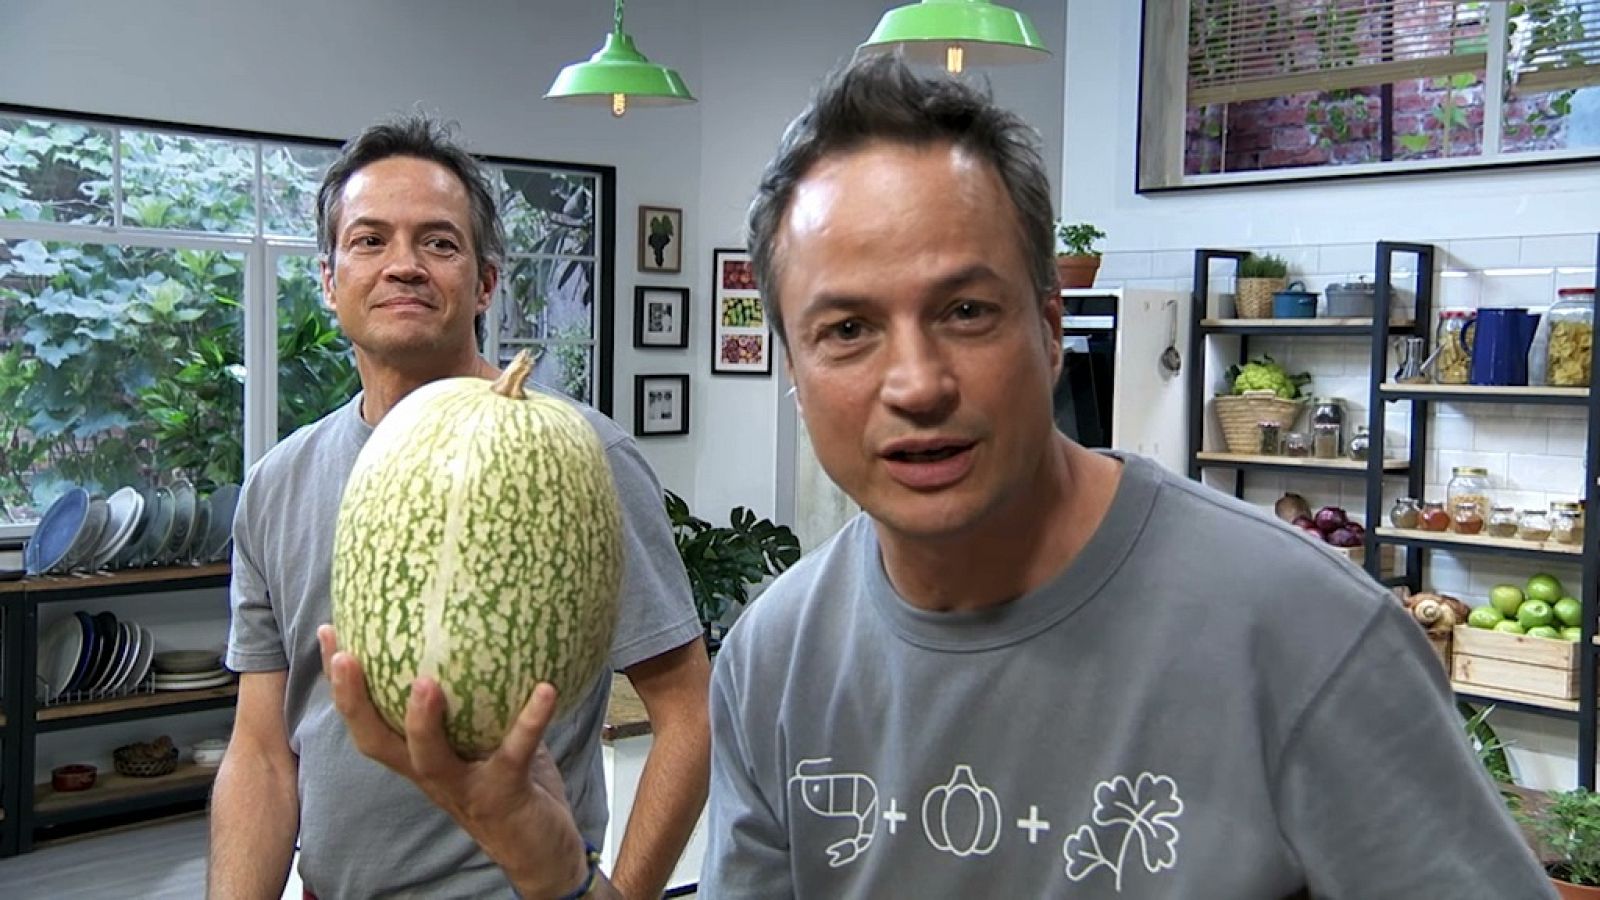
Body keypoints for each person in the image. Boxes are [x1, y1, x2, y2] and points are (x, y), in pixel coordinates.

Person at [698, 55, 1555, 898]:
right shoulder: (775, 661)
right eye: (848, 330)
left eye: (965, 311)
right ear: (795, 373)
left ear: (1049, 331)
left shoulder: (1305, 633)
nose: (918, 384)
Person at [209, 114, 711, 900]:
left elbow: (687, 713)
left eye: (439, 243)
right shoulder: (277, 483)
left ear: (484, 283)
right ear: (329, 279)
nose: (403, 265)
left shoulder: (582, 455)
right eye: (370, 240)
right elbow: (263, 753)